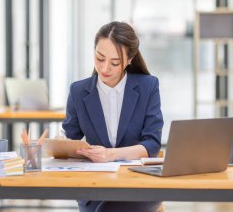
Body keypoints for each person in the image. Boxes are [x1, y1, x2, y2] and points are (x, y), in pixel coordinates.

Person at [62, 21, 163, 212]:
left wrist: (110, 155)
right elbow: (70, 141)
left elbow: (152, 145)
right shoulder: (78, 91)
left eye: (115, 62)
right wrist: (61, 146)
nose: (105, 68)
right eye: (100, 58)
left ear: (130, 59)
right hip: (94, 186)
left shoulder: (148, 86)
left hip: (139, 184)